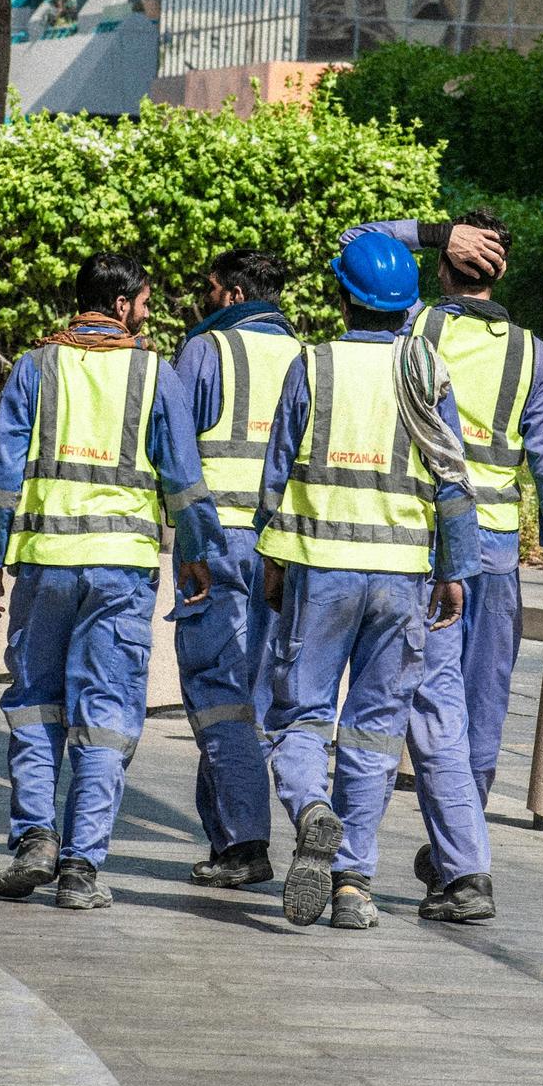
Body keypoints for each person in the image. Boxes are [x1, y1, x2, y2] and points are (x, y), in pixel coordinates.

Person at [340, 211, 543, 923]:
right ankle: (459, 847)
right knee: (482, 707)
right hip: (496, 554)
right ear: (503, 273)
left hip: (431, 548)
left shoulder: (414, 330)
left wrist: (429, 231)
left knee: (435, 702)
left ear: (444, 265)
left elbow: (352, 244)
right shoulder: (532, 354)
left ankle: (462, 862)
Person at [0, 251, 224, 911]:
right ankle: (81, 867)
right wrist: (196, 552)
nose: (146, 314)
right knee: (104, 717)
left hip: (45, 564)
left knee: (34, 705)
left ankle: (33, 844)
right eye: (143, 303)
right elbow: (183, 475)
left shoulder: (35, 366)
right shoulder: (154, 372)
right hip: (119, 573)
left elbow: (2, 468)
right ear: (120, 304)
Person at [255, 233, 482, 931]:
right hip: (402, 579)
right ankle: (352, 884)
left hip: (318, 570)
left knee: (299, 714)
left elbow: (276, 472)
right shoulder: (426, 368)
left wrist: (270, 556)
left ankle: (310, 810)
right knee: (377, 731)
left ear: (342, 294)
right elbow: (451, 479)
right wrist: (455, 571)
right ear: (406, 302)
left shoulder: (313, 365)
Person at [171, 249, 300, 889]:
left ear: (234, 292)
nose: (205, 297)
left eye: (210, 287)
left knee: (217, 692)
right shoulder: (305, 355)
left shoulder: (207, 350)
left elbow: (172, 445)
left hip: (216, 539)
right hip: (282, 549)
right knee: (250, 691)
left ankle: (245, 843)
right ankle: (228, 838)